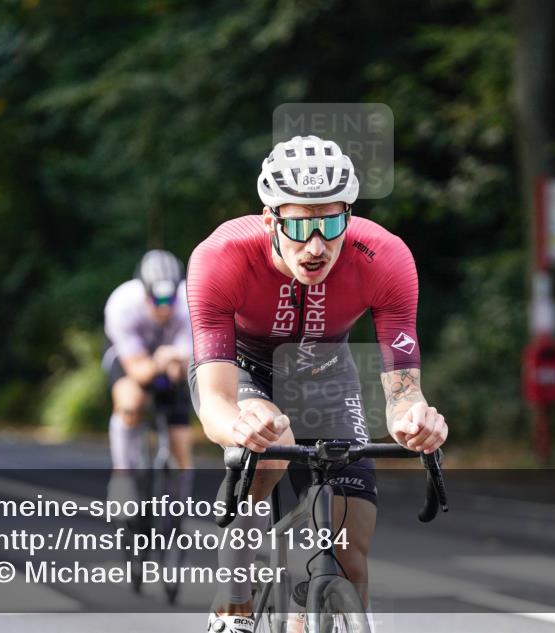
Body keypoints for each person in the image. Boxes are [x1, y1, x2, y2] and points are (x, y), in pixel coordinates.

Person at [187, 135, 448, 633]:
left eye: (330, 224)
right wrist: (242, 424)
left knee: (350, 554)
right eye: (300, 224)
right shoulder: (221, 257)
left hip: (326, 373)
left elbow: (404, 392)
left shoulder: (384, 258)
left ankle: (318, 612)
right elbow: (215, 400)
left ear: (348, 217)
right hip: (242, 369)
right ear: (271, 220)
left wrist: (415, 420)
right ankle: (234, 595)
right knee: (275, 443)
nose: (315, 244)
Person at [103, 250, 194, 506]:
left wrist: (176, 363)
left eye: (170, 300)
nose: (163, 308)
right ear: (144, 292)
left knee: (181, 444)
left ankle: (178, 508)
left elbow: (189, 363)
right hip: (131, 356)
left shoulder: (191, 303)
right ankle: (122, 476)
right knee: (130, 403)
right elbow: (137, 371)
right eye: (156, 300)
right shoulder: (122, 303)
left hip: (173, 357)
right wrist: (158, 362)